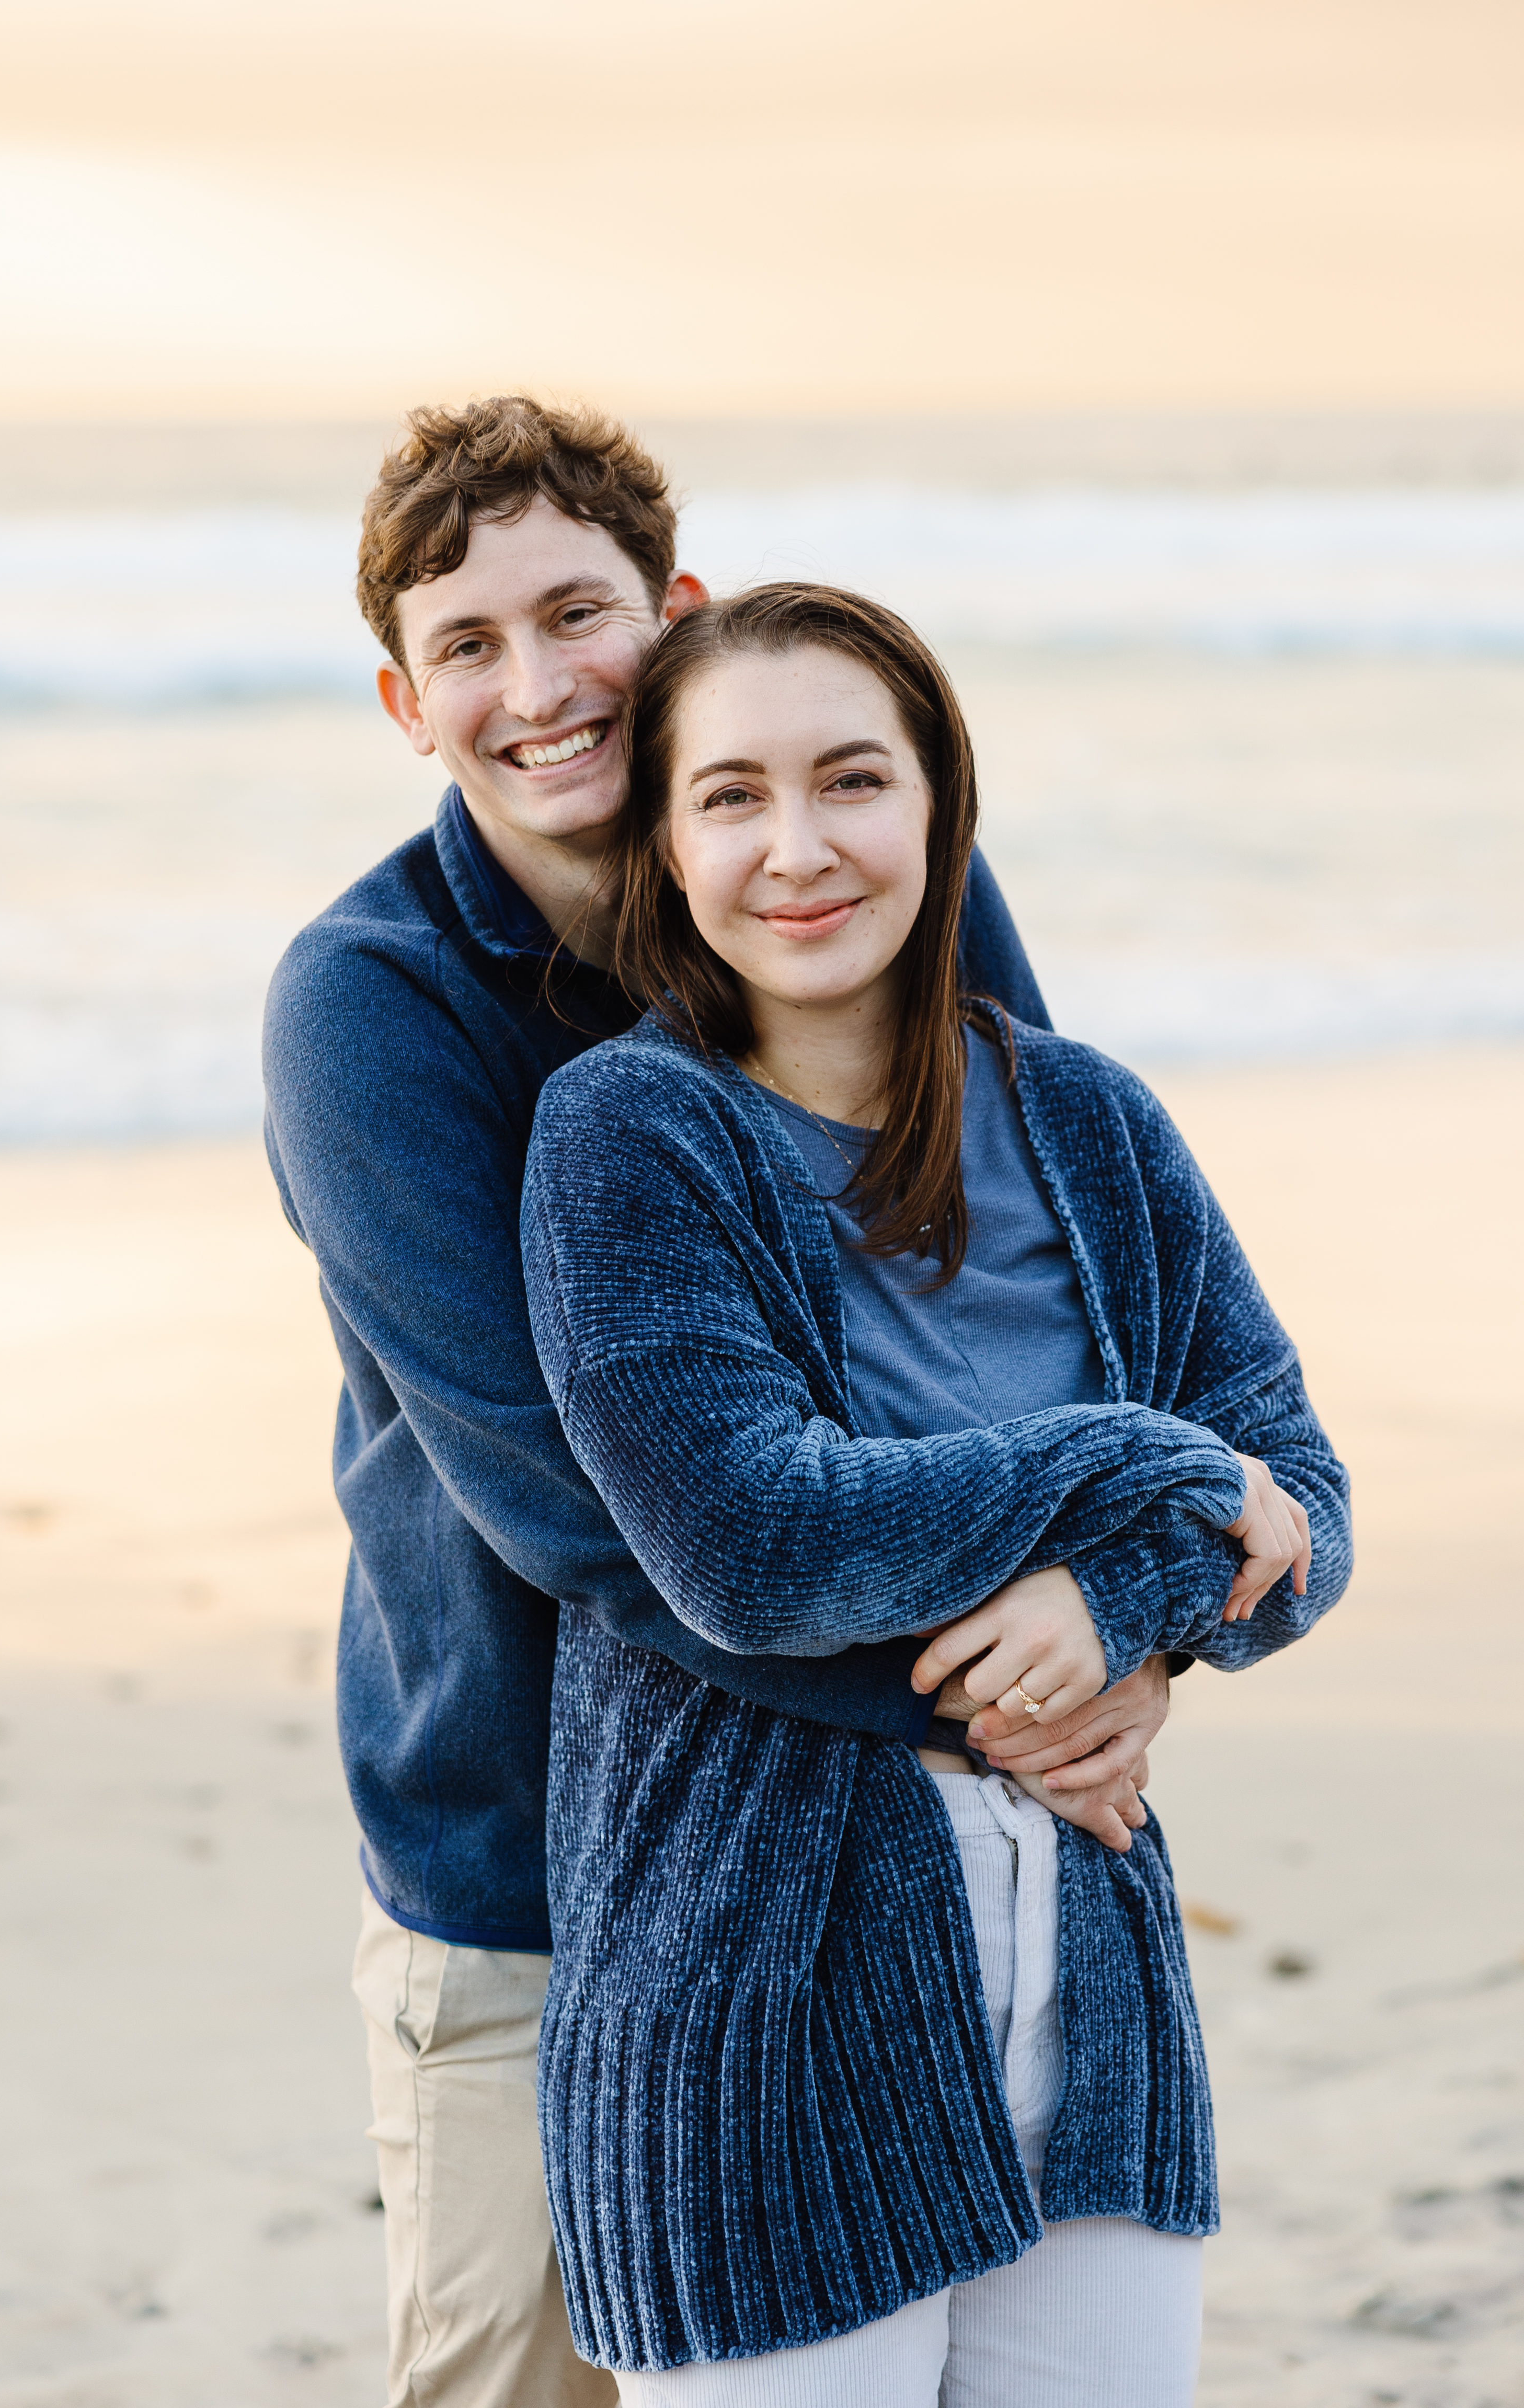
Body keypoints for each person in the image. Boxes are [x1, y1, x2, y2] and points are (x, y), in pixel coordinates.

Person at [263, 399, 1173, 2408]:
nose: (538, 688)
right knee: (522, 2378)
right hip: (522, 1858)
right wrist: (1029, 1704)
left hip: (852, 1835)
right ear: (406, 705)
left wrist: (1134, 1621)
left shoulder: (851, 886)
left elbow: (1052, 1301)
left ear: (668, 614)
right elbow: (586, 1514)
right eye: (470, 648)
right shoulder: (371, 1007)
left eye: (575, 615)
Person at [519, 582, 1353, 2405]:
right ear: (664, 840)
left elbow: (1305, 1509)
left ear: (939, 808)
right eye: (731, 795)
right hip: (759, 2012)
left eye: (852, 781)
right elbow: (754, 1542)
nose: (798, 848)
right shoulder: (629, 1136)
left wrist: (1120, 1604)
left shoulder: (1093, 1119)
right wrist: (1155, 1472)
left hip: (1104, 1989)